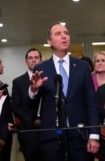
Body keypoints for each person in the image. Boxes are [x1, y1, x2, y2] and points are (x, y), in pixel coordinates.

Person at [28, 21, 100, 161]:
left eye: (66, 33)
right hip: (51, 139)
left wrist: (94, 135)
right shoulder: (41, 69)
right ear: (49, 41)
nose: (64, 36)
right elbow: (31, 106)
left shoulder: (82, 66)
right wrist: (33, 90)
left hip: (80, 136)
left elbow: (91, 102)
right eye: (58, 34)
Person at [11, 48, 42, 161]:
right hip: (28, 130)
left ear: (41, 60)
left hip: (48, 129)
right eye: (30, 58)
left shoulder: (49, 79)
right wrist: (31, 120)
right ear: (26, 62)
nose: (33, 60)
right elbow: (15, 106)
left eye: (36, 57)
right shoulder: (18, 82)